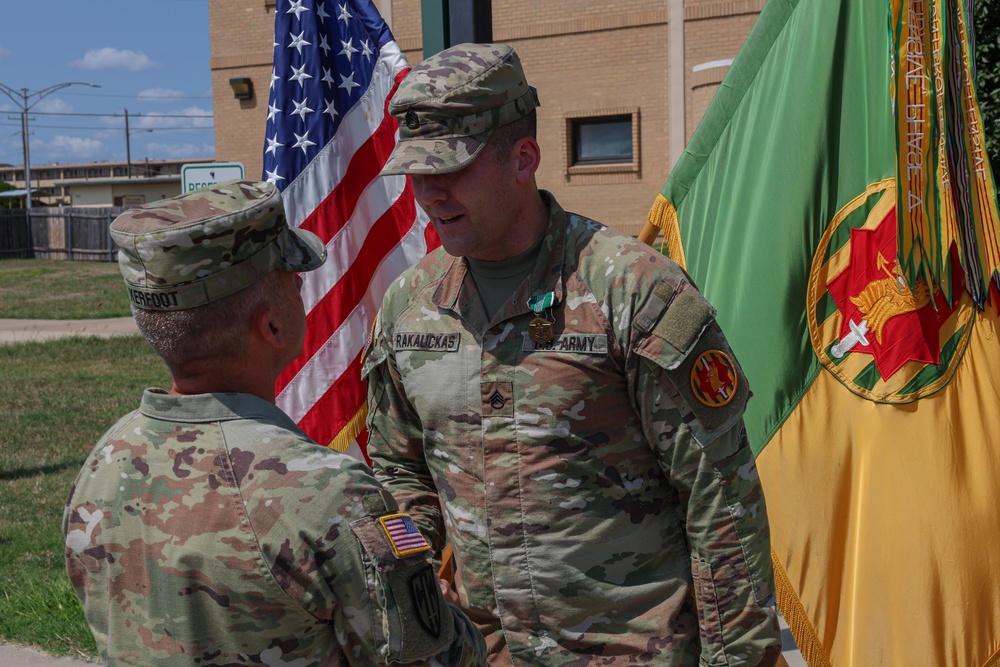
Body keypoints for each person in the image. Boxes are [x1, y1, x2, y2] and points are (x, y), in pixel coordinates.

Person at [362, 44, 782, 666]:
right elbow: (399, 468)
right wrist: (415, 568)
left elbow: (719, 495)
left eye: (452, 169)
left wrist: (739, 660)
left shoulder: (632, 289)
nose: (431, 194)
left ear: (523, 159)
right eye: (417, 173)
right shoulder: (409, 307)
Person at [63, 180, 486, 667]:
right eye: (293, 279)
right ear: (272, 326)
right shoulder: (325, 495)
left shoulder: (101, 465)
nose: (303, 286)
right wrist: (447, 615)